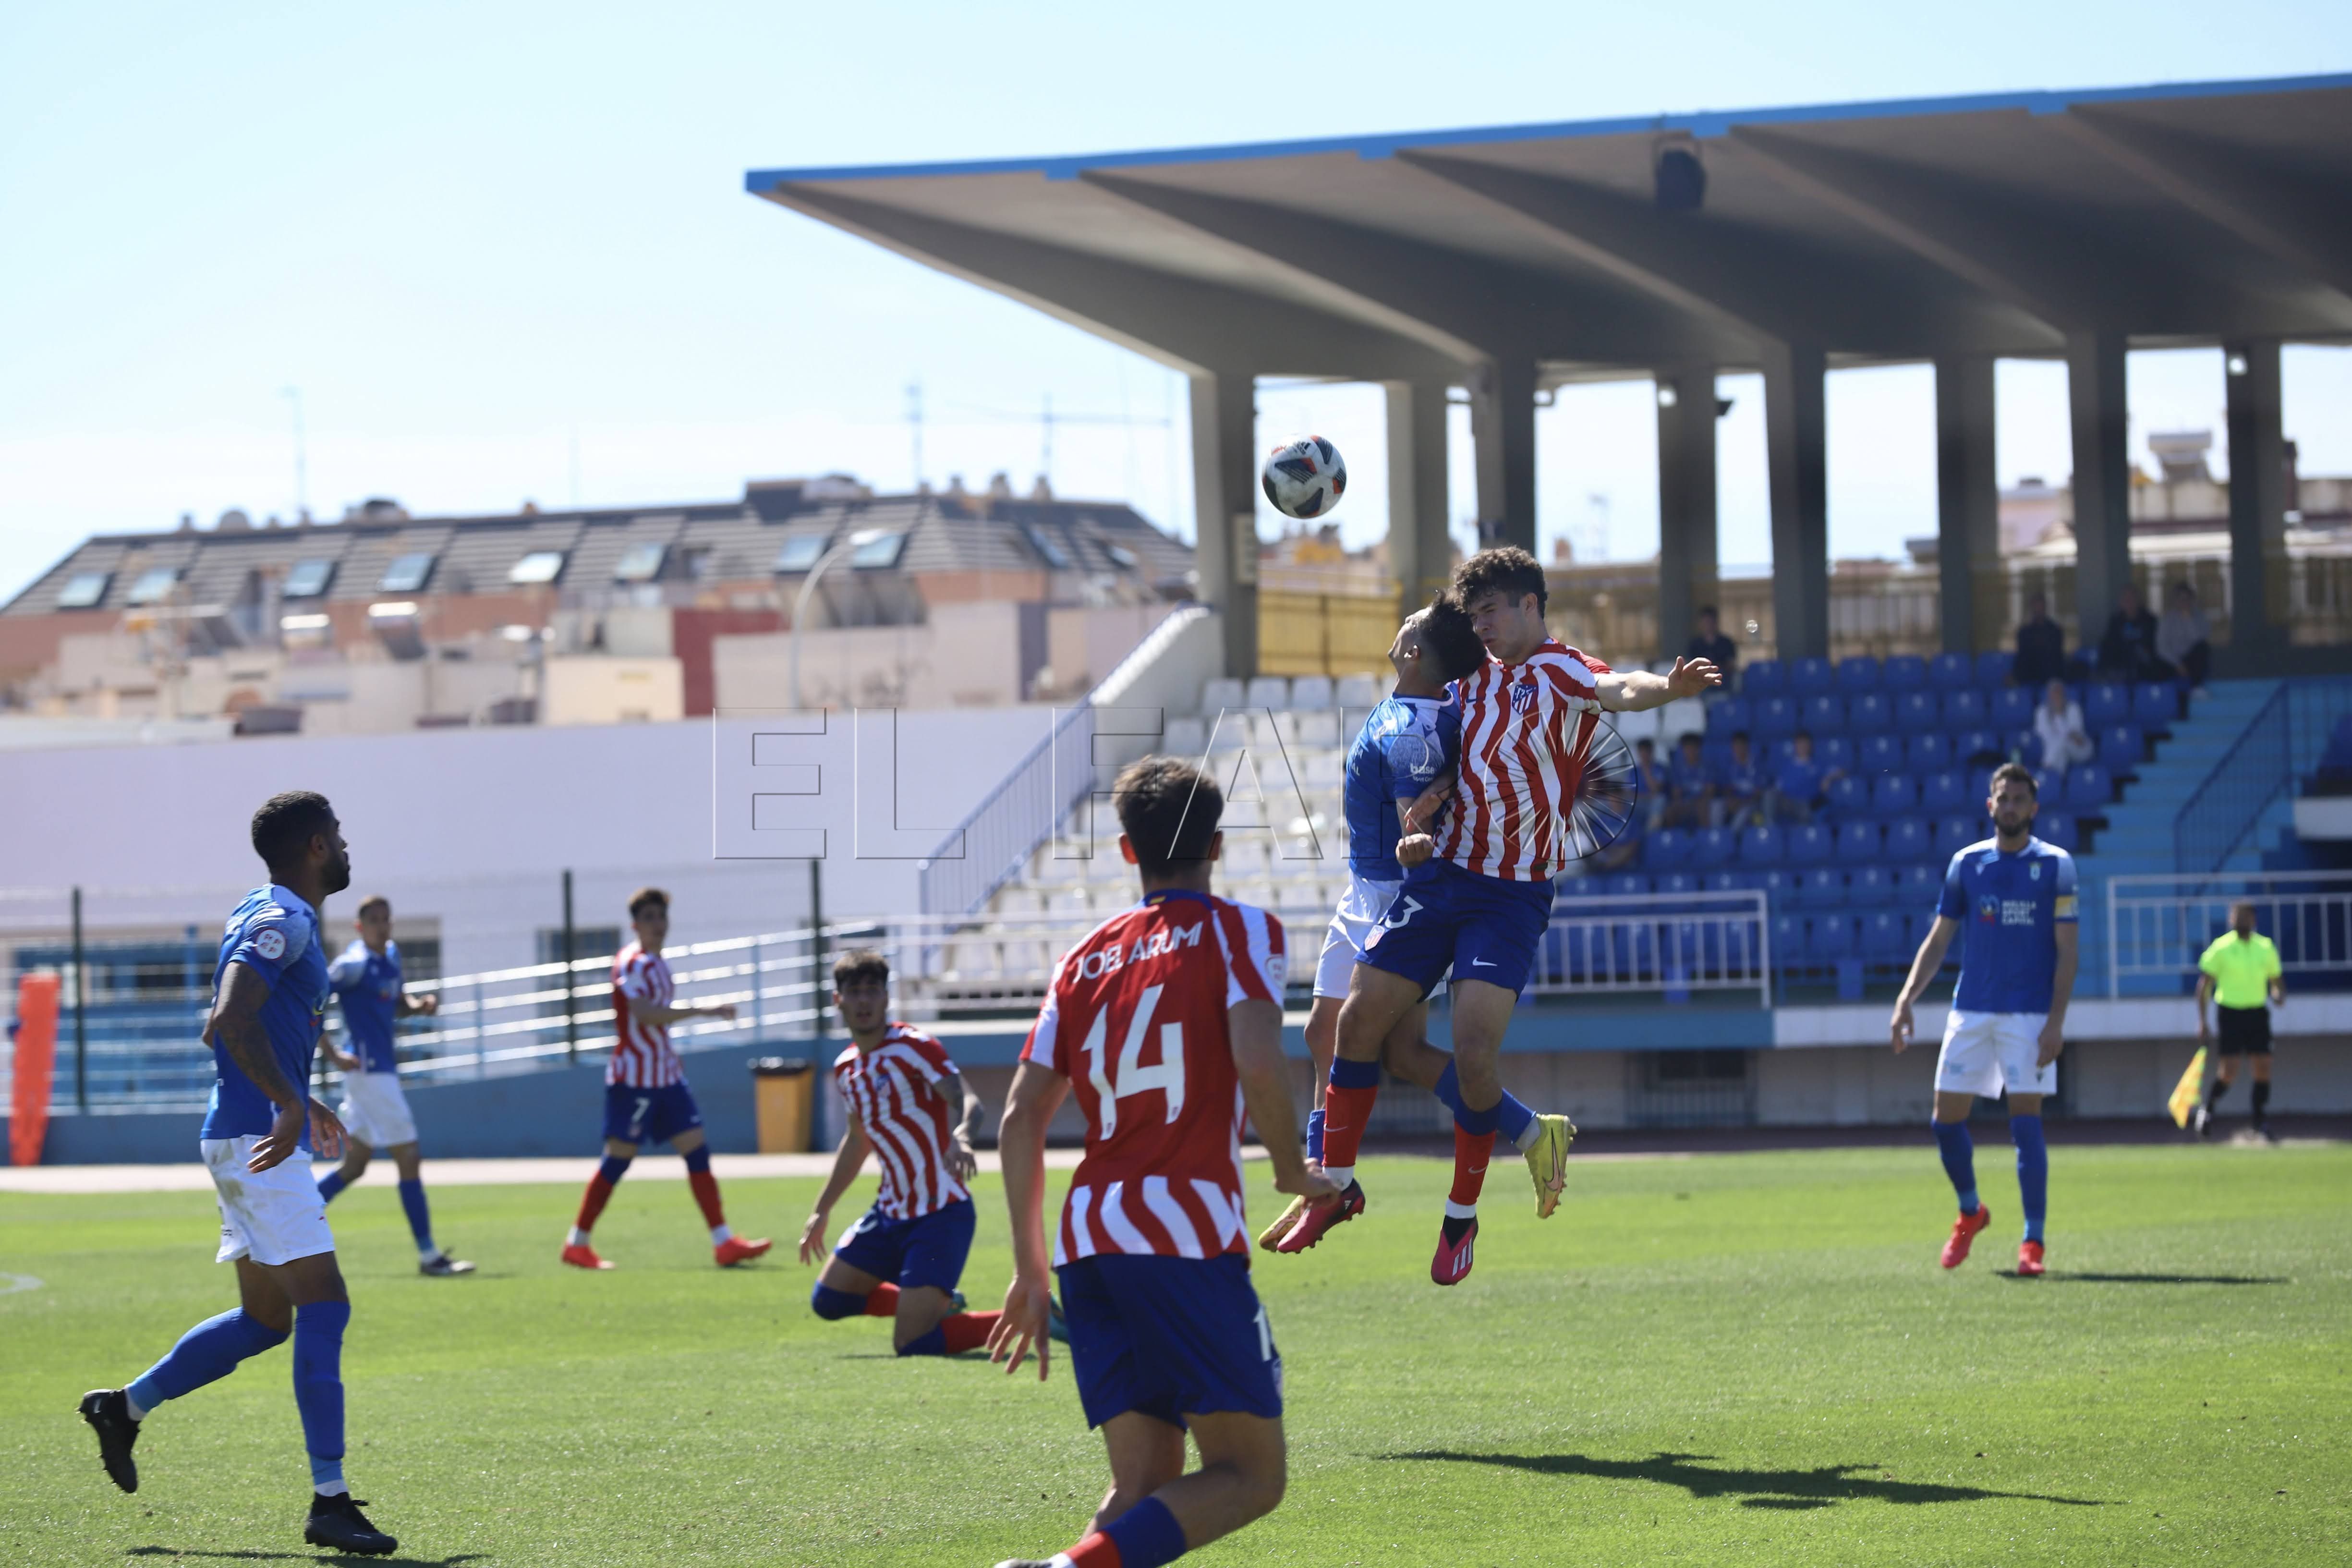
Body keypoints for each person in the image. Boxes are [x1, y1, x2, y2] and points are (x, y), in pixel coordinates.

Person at [1281, 547, 1720, 1284]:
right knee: (1358, 1025)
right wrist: (1426, 804)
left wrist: (1667, 689)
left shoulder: (1563, 670)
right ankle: (1340, 1184)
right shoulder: (1471, 680)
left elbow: (1620, 688)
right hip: (1443, 876)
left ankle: (1461, 1217)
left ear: (1529, 606)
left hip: (1510, 897)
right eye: (1474, 611)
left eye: (1491, 609)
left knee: (1474, 1049)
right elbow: (1463, 760)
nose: (1480, 623)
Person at [986, 755, 1338, 1568]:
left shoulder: (1080, 959)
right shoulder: (1240, 930)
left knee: (1143, 1487)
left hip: (1086, 1244)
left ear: (1125, 852)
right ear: (1216, 848)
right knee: (1250, 1476)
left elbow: (1017, 1118)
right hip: (1178, 1235)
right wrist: (1289, 1169)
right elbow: (1257, 1055)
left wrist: (1030, 1271)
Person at [78, 791, 398, 1556]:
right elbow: (227, 1018)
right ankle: (330, 1500)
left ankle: (125, 1408)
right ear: (318, 845)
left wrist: (302, 1095)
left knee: (265, 1320)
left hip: (242, 1129)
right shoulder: (285, 917)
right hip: (258, 1139)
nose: (348, 846)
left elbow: (217, 1025)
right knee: (325, 1306)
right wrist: (286, 1103)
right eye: (341, 836)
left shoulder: (258, 911)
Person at [1261, 596, 1574, 1252]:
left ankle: (1339, 1183)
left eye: (1408, 624)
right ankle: (1325, 1179)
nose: (1399, 624)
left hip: (1395, 892)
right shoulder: (1420, 705)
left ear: (1412, 652)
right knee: (1329, 1031)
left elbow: (1417, 814)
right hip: (1363, 886)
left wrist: (1417, 837)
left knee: (1387, 1046)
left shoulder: (1414, 728)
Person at [1887, 763, 2079, 1278]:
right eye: (2003, 797)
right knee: (1943, 1121)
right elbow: (1938, 939)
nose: (2011, 805)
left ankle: (2032, 1241)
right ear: (1989, 805)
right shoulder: (1966, 864)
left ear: (2033, 809)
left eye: (2020, 798)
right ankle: (1971, 1210)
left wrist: (2055, 1021)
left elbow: (2067, 951)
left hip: (2027, 1014)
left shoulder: (2056, 865)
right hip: (1970, 1008)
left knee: (2026, 1123)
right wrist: (1906, 997)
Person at [799, 948, 1006, 1355]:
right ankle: (930, 1302)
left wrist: (962, 1136)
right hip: (889, 1213)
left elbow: (968, 1099)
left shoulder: (914, 1046)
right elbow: (858, 1140)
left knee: (912, 1342)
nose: (863, 1001)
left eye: (872, 991)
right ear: (837, 1000)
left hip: (940, 1213)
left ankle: (1028, 1315)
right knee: (828, 1300)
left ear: (886, 998)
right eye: (854, 992)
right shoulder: (846, 1068)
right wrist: (822, 1209)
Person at [561, 887, 770, 1270]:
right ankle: (577, 1243)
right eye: (651, 917)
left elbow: (656, 1023)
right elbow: (645, 1014)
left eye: (662, 916)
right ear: (635, 924)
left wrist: (672, 1053)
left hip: (666, 1076)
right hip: (635, 1080)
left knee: (697, 1148)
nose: (659, 924)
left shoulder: (658, 962)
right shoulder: (633, 963)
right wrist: (703, 1010)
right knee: (619, 1159)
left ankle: (723, 1241)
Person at [315, 896, 472, 1276]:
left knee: (354, 1167)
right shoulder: (352, 966)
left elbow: (396, 1003)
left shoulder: (391, 957)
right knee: (409, 1156)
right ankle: (429, 1255)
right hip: (370, 1072)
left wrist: (418, 1006)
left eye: (387, 919)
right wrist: (333, 1053)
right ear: (359, 926)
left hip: (377, 1072)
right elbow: (311, 1000)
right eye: (374, 920)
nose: (383, 926)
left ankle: (286, 1217)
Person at [2194, 902, 2284, 1140]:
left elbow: (2277, 980)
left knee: (2263, 1066)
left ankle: (2259, 1121)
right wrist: (2203, 1021)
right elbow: (2204, 985)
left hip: (2257, 1013)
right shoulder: (2221, 947)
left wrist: (2278, 995)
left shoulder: (2264, 947)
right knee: (2229, 1071)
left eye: (2244, 917)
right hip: (2231, 1013)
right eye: (2236, 917)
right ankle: (2207, 1110)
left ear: (2253, 920)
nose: (2239, 921)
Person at [2096, 584, 2166, 680]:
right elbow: (2109, 645)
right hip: (2121, 666)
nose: (2129, 602)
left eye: (2132, 598)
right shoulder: (2115, 622)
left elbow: (2155, 647)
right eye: (2126, 599)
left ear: (2139, 601)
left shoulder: (2150, 621)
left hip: (2145, 668)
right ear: (2121, 603)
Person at [1766, 730, 1837, 825]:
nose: (1803, 747)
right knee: (1769, 794)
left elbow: (1841, 771)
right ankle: (1769, 826)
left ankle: (1802, 834)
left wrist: (1828, 778)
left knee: (1807, 815)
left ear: (1810, 746)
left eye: (1805, 744)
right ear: (1795, 746)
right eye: (1800, 744)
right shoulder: (1787, 766)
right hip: (1788, 802)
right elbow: (1778, 787)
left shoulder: (1817, 765)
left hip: (1805, 804)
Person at [2158, 581, 2212, 690]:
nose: (2184, 602)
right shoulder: (2168, 619)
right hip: (2172, 662)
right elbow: (2162, 647)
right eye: (2181, 599)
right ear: (2176, 601)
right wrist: (2178, 664)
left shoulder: (2200, 617)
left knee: (2203, 648)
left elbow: (2199, 640)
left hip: (2191, 661)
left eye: (2187, 599)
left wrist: (2188, 619)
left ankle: (2197, 688)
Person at [2033, 679, 2095, 770]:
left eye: (2060, 693)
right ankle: (2057, 779)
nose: (2057, 697)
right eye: (2054, 693)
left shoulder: (2074, 708)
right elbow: (2043, 736)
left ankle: (2046, 771)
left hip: (2077, 748)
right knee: (2060, 748)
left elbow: (2077, 736)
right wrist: (2057, 717)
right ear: (2049, 695)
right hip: (2052, 749)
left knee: (2061, 743)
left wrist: (2059, 715)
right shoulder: (2041, 712)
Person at [1660, 730, 1715, 830]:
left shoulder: (1707, 767)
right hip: (1684, 802)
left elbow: (1710, 791)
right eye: (1688, 748)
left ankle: (1706, 840)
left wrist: (1697, 800)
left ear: (1698, 749)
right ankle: (1671, 841)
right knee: (1670, 811)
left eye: (1694, 748)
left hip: (1701, 802)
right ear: (1683, 750)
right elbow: (1676, 793)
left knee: (1704, 808)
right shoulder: (1678, 768)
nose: (1691, 751)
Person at [2013, 593, 2068, 689]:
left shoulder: (2055, 631)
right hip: (2030, 673)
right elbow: (2022, 657)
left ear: (2045, 608)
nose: (2038, 610)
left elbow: (2056, 656)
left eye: (2041, 607)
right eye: (2036, 607)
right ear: (2032, 609)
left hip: (2050, 674)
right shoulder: (2024, 633)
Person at [1717, 730, 1766, 829]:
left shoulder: (1757, 765)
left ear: (1747, 746)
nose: (1739, 749)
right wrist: (1731, 800)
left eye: (1741, 746)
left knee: (1742, 815)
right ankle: (1716, 835)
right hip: (1734, 801)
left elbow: (1759, 794)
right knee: (1717, 806)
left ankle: (1732, 838)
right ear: (1732, 747)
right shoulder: (1729, 765)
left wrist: (1742, 803)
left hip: (1752, 804)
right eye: (1736, 746)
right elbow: (1726, 789)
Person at [1685, 605, 1737, 673]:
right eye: (1706, 622)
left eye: (1710, 622)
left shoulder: (1726, 643)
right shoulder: (1695, 644)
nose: (1708, 626)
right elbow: (1690, 664)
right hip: (1700, 677)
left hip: (1722, 677)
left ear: (1715, 623)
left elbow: (1731, 664)